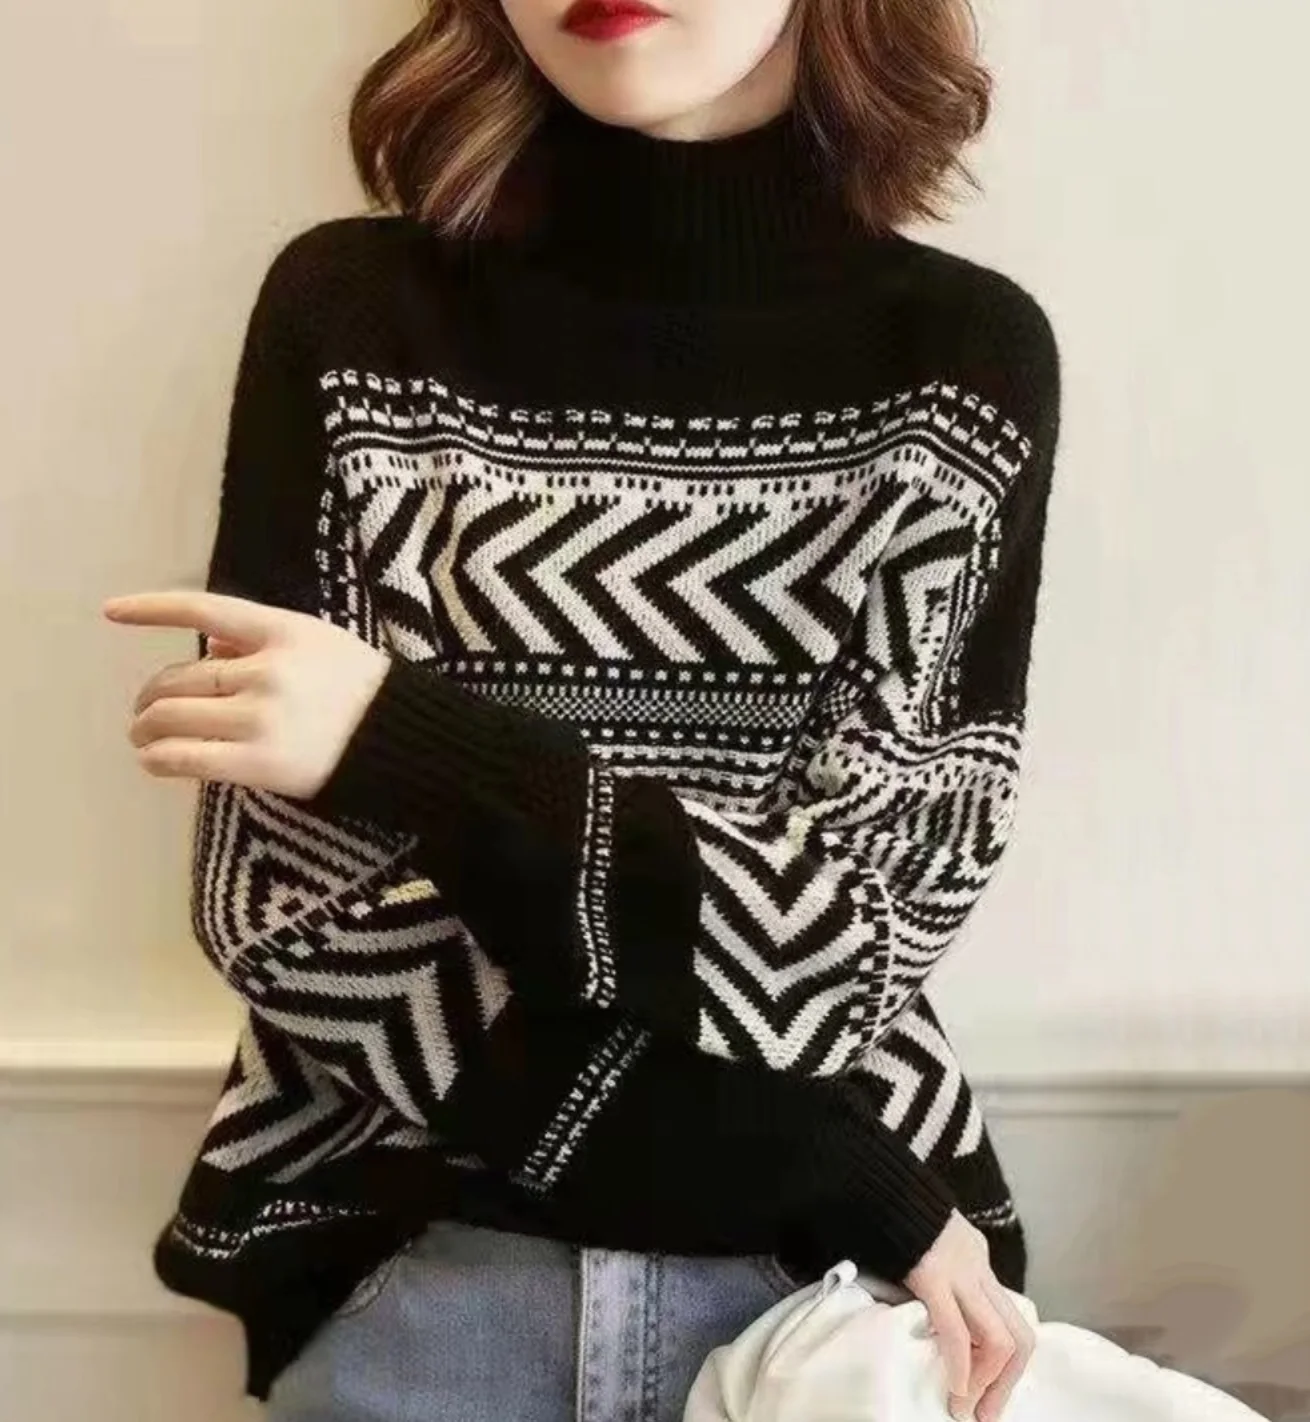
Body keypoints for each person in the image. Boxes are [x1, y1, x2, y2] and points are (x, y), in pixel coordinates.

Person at [104, 2, 1062, 1419]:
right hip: (433, 1275)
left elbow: (841, 946)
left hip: (825, 1311)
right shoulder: (353, 314)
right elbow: (291, 917)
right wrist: (811, 1158)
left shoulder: (962, 365)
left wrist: (411, 742)